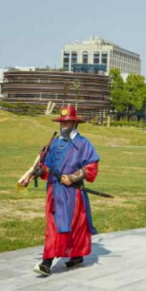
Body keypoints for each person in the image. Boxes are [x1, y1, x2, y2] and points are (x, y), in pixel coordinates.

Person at [23, 105, 100, 277]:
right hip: (54, 192)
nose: (64, 125)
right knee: (54, 225)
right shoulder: (54, 143)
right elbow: (47, 167)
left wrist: (73, 177)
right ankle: (48, 262)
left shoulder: (83, 143)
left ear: (74, 123)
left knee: (75, 226)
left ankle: (73, 256)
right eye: (62, 122)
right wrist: (40, 171)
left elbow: (92, 167)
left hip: (73, 194)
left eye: (68, 122)